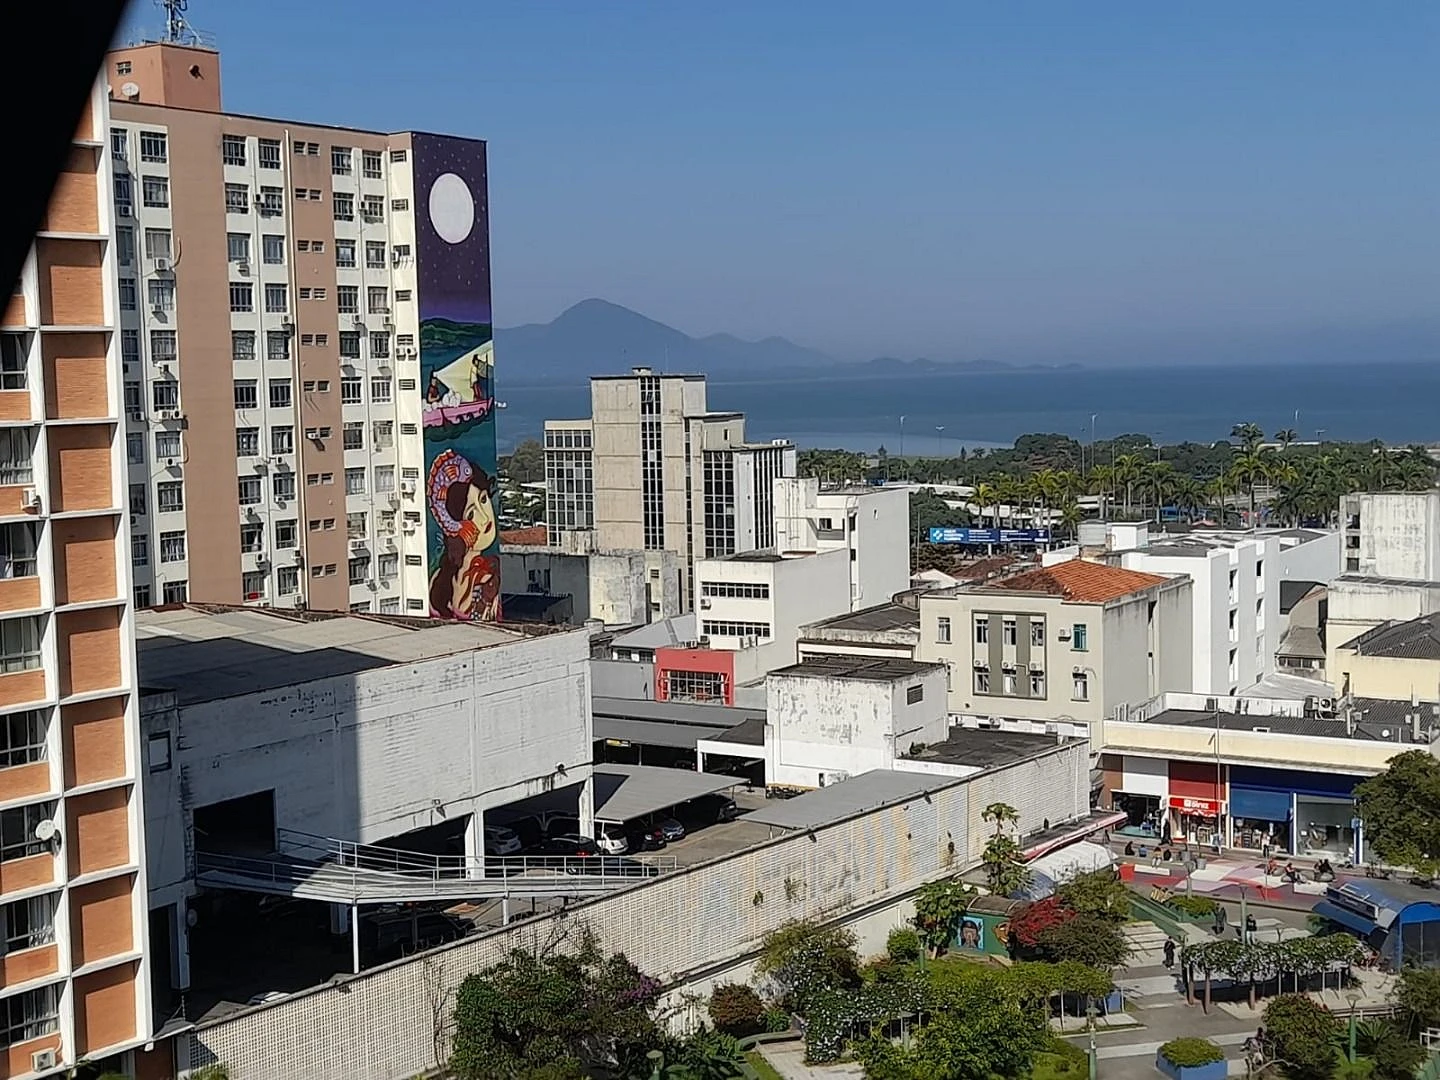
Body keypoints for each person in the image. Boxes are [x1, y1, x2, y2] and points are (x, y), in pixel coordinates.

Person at [427, 450, 501, 622]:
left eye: (483, 500)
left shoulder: (488, 574)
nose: (484, 518)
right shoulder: (439, 580)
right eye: (471, 515)